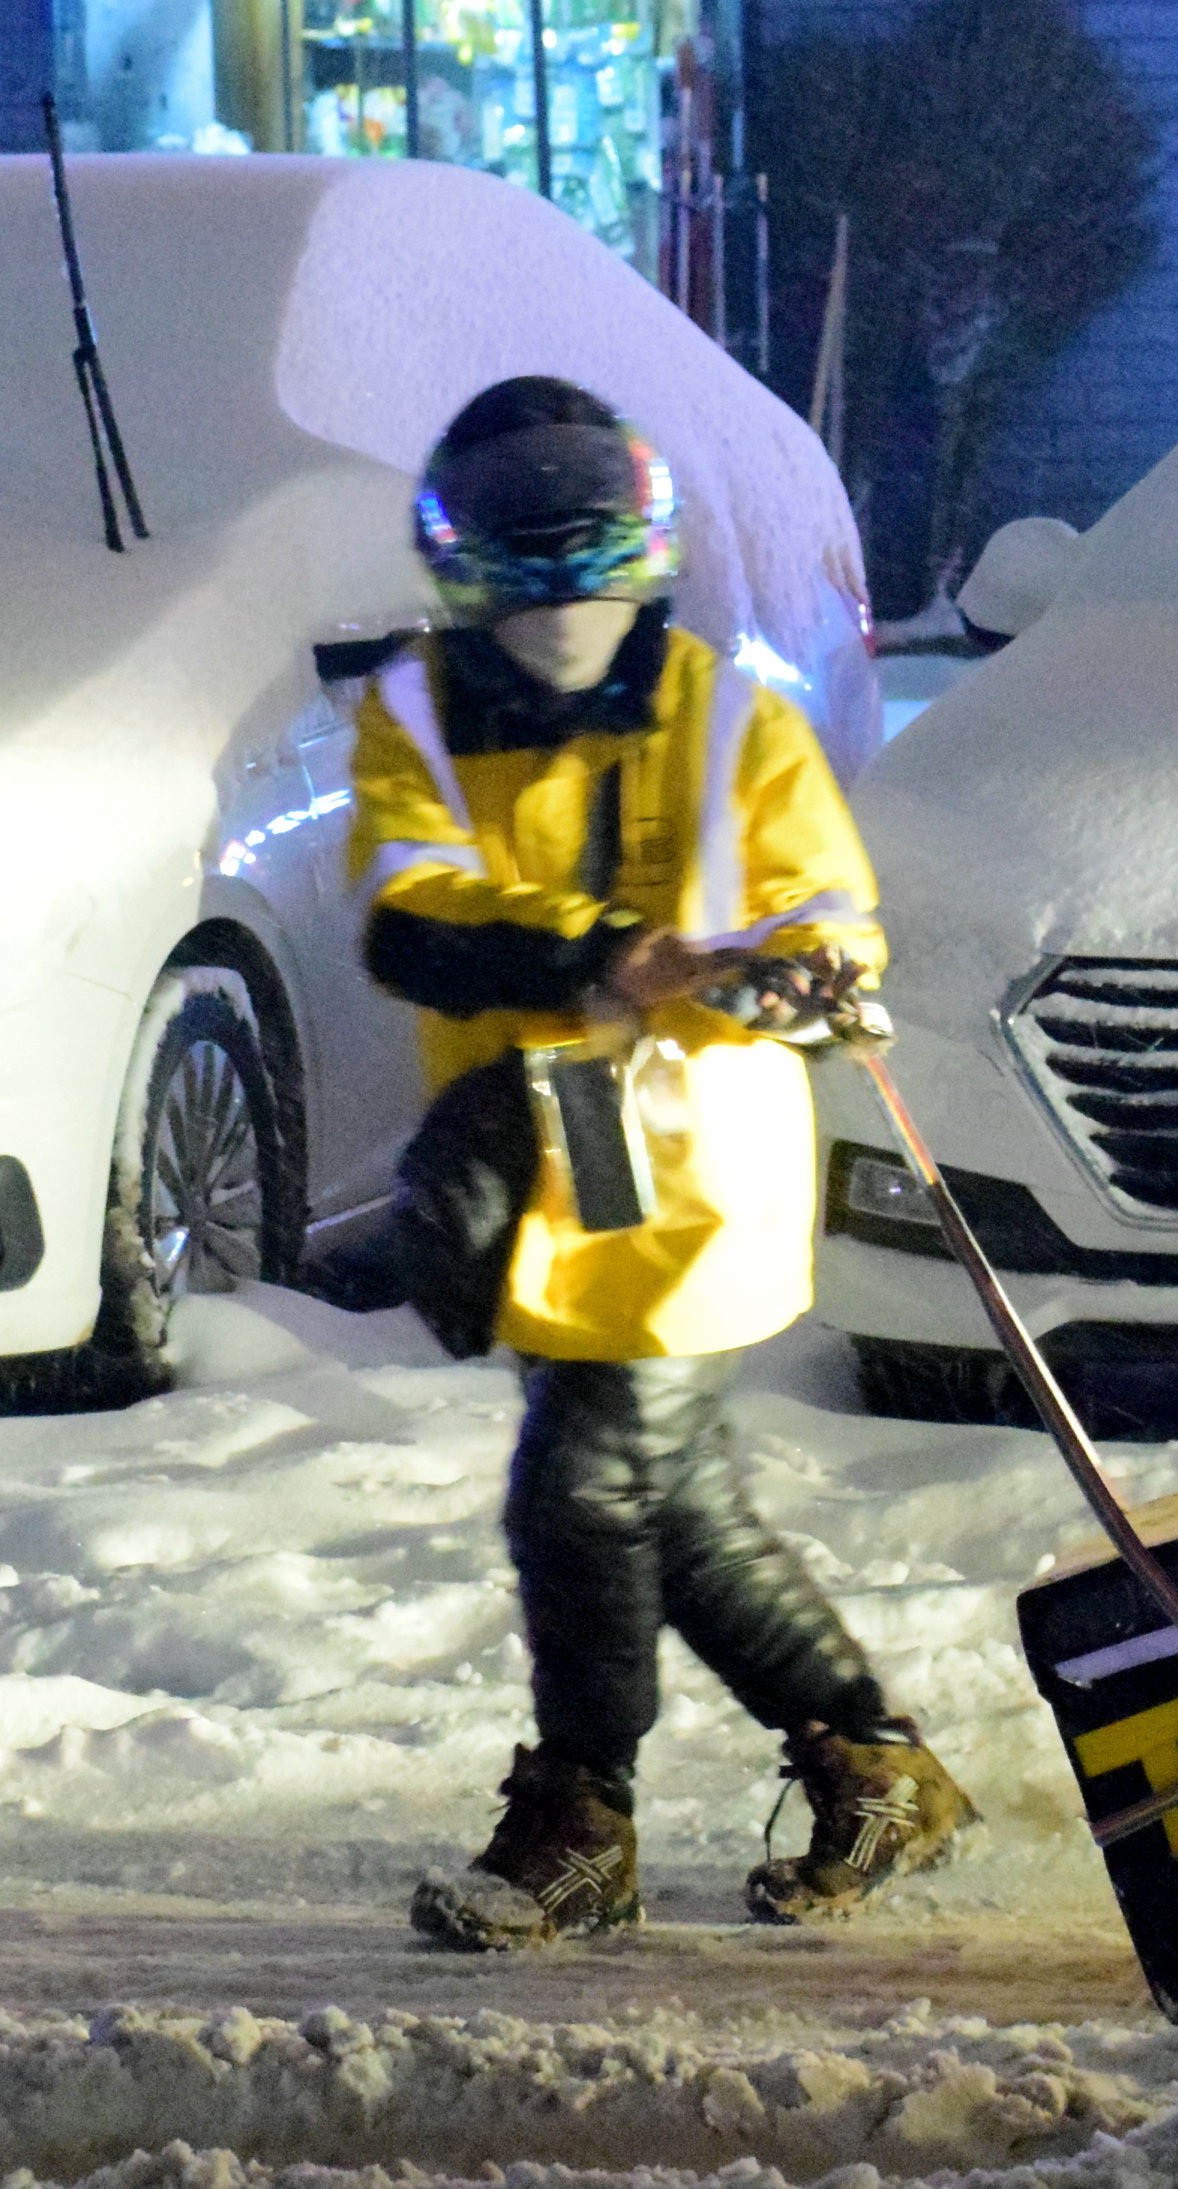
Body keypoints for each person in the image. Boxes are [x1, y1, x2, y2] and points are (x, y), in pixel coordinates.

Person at [352, 374, 975, 1951]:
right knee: (669, 1511)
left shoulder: (732, 719)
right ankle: (878, 1768)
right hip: (530, 1174)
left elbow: (822, 910)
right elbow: (406, 919)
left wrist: (804, 972)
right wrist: (600, 950)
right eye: (524, 551)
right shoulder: (414, 715)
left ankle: (580, 1824)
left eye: (587, 545)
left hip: (693, 1176)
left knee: (578, 1495)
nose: (559, 598)